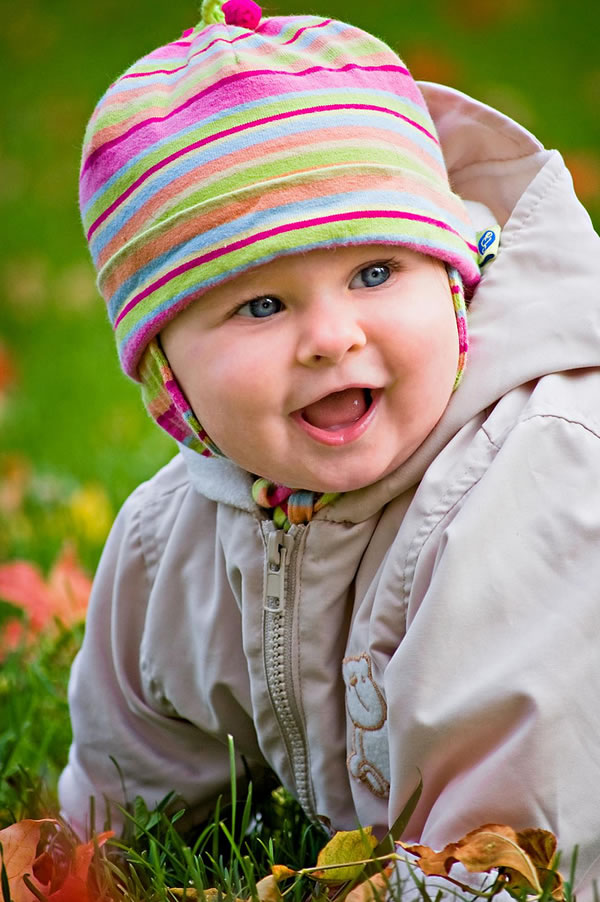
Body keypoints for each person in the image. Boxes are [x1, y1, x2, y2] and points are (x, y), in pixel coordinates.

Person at [59, 0, 600, 895]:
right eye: (261, 305)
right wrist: (84, 850)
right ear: (168, 381)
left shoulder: (542, 490)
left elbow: (518, 854)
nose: (330, 337)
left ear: (455, 277)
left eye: (375, 272)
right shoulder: (173, 544)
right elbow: (128, 778)